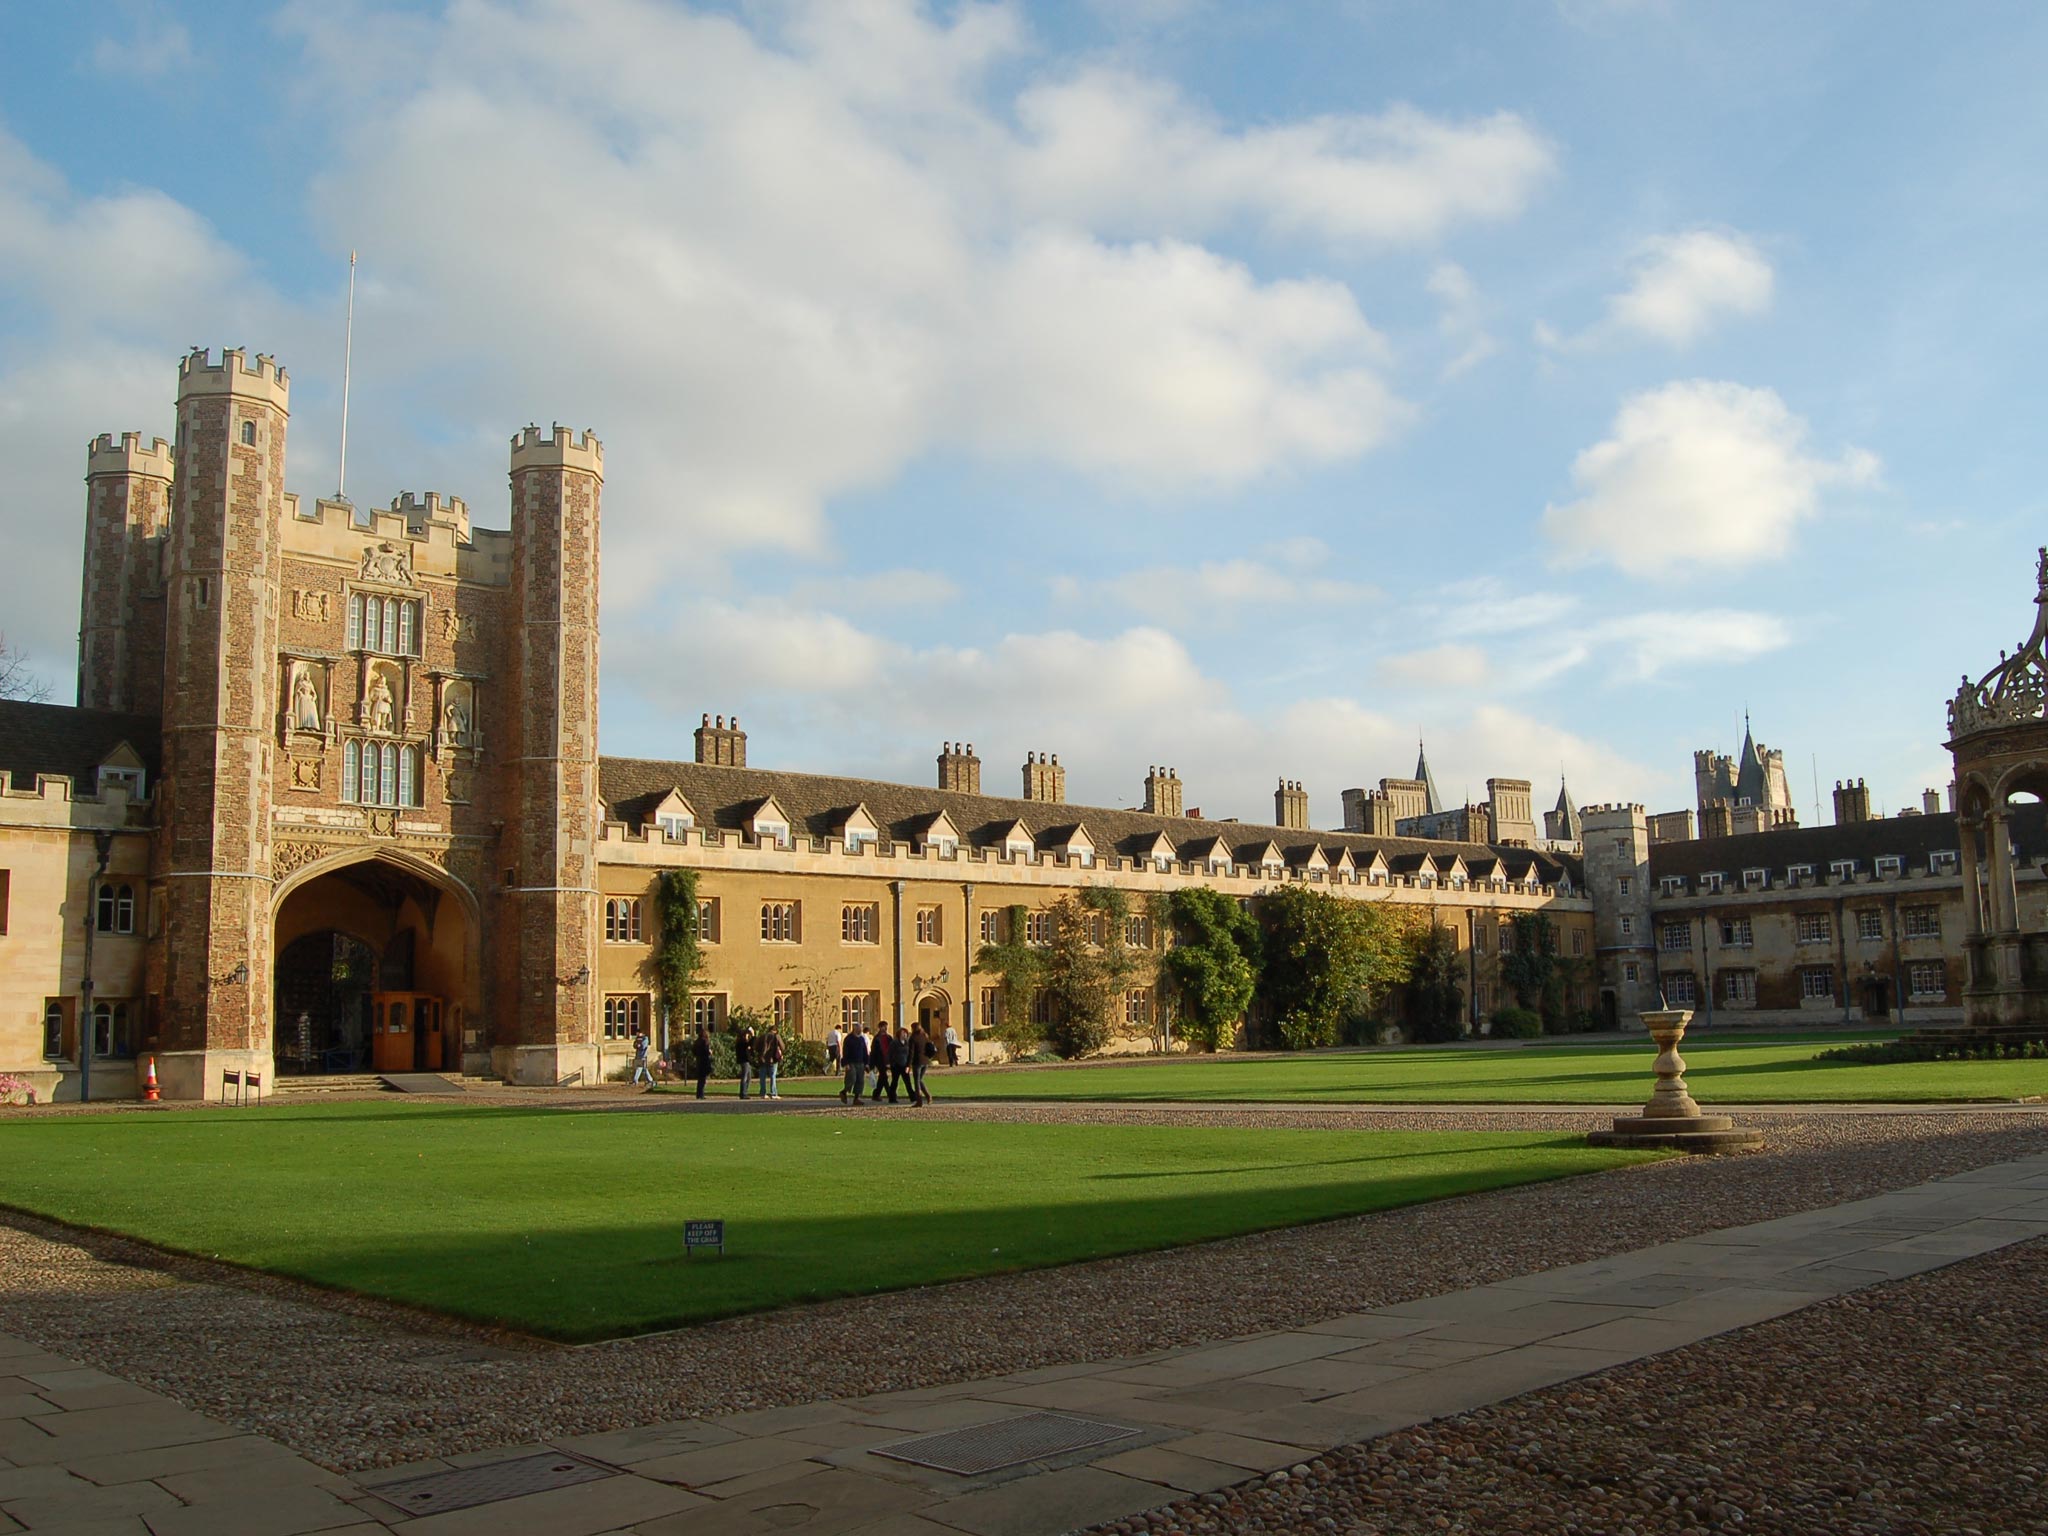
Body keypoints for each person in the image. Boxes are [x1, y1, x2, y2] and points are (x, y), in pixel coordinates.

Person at [840, 1022, 868, 1104]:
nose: (860, 1030)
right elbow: (845, 1052)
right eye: (859, 1028)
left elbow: (865, 1051)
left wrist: (866, 1063)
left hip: (860, 1062)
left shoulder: (862, 1039)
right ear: (855, 1028)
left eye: (861, 1028)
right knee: (852, 1078)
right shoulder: (849, 1039)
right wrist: (846, 1063)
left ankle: (856, 1098)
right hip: (851, 1062)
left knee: (860, 1081)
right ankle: (844, 1092)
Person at [907, 1023, 932, 1106]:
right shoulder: (925, 1036)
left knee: (917, 1082)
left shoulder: (913, 1038)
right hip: (925, 1061)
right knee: (920, 1080)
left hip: (917, 1061)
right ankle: (928, 1096)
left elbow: (911, 1053)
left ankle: (919, 1101)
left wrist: (908, 1065)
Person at [888, 1023, 912, 1106]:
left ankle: (912, 1097)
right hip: (896, 1065)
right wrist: (892, 1063)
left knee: (908, 1082)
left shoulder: (907, 1043)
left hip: (904, 1065)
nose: (904, 1034)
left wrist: (908, 1065)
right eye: (902, 1033)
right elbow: (890, 1053)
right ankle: (892, 1098)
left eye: (905, 1033)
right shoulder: (894, 1043)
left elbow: (910, 1054)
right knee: (894, 1082)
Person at [869, 1024, 892, 1103]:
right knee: (884, 1077)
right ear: (880, 1028)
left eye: (886, 1027)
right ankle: (890, 1095)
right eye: (883, 1027)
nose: (885, 1028)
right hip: (880, 1060)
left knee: (882, 1078)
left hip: (887, 1060)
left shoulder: (889, 1038)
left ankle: (876, 1094)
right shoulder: (877, 1038)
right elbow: (873, 1051)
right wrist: (872, 1064)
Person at [762, 1024, 785, 1100]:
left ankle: (763, 1093)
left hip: (764, 1059)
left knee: (763, 1077)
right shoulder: (776, 1036)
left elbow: (756, 1045)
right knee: (773, 1076)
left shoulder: (764, 1036)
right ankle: (773, 1093)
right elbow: (782, 1046)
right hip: (773, 1058)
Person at [691, 1023, 713, 1100]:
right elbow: (706, 1051)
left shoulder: (697, 1042)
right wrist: (710, 1052)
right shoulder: (705, 1042)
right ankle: (701, 1094)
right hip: (704, 1061)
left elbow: (693, 1051)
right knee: (703, 1080)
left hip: (699, 1061)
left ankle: (699, 1094)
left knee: (700, 1079)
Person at [735, 1020, 756, 1100]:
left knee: (748, 1076)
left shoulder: (741, 1042)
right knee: (745, 1077)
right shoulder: (742, 1042)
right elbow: (751, 1044)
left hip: (745, 1060)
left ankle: (745, 1092)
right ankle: (743, 1093)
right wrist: (753, 1035)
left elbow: (751, 1045)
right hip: (744, 1060)